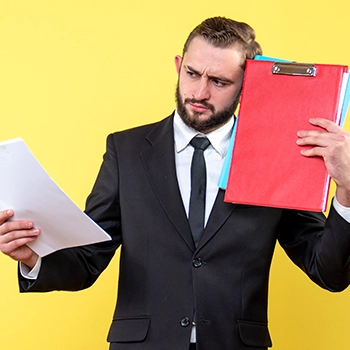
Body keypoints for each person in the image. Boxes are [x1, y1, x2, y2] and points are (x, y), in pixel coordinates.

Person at [1, 16, 350, 350]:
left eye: (219, 82)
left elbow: (328, 272)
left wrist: (347, 189)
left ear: (248, 84)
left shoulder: (274, 160)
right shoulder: (127, 151)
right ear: (178, 65)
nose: (199, 92)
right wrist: (34, 258)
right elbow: (89, 257)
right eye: (192, 73)